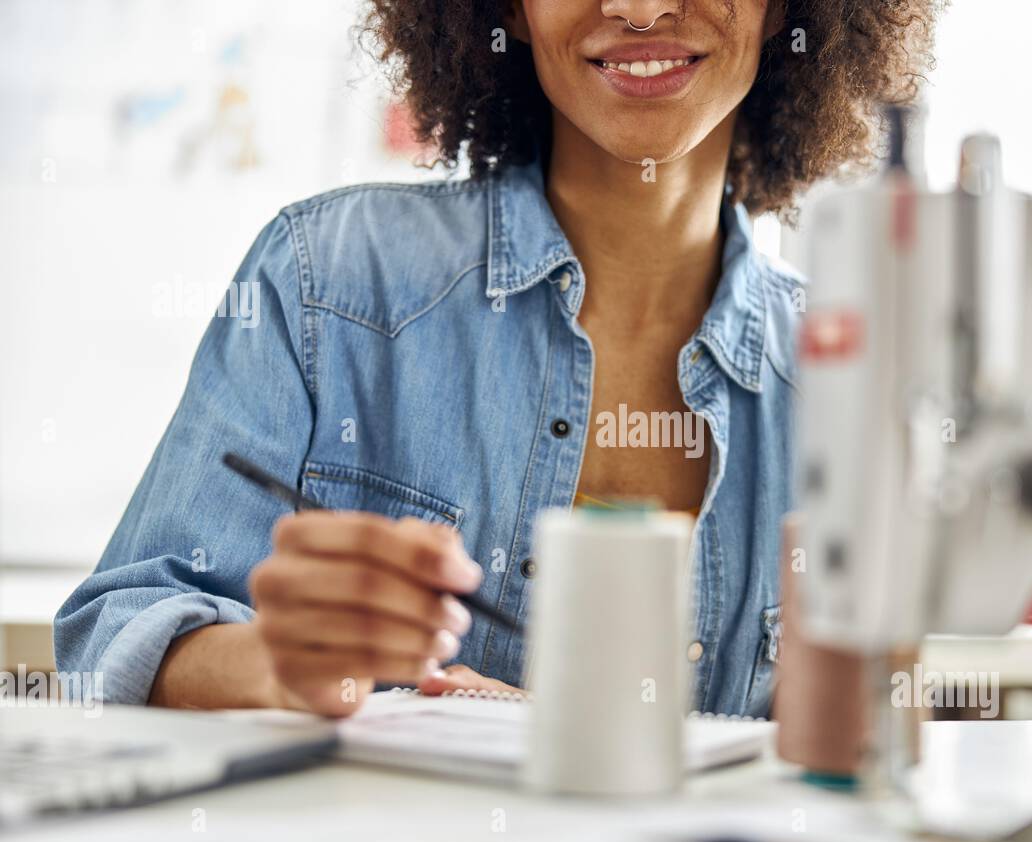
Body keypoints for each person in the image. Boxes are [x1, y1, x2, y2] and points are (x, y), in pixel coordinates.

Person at [55, 1, 933, 717]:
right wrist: (280, 667)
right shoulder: (328, 280)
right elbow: (109, 640)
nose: (639, 8)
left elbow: (861, 757)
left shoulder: (844, 381)